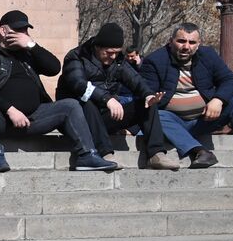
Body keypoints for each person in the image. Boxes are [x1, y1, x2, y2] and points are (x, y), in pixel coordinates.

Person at [0, 10, 115, 175]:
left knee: (71, 105)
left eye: (26, 31)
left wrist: (32, 45)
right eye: (19, 30)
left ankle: (87, 155)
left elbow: (54, 68)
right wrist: (10, 110)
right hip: (1, 121)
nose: (24, 35)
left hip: (34, 119)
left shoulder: (28, 54)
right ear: (3, 31)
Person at [140, 22, 233, 170]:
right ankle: (200, 152)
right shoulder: (154, 61)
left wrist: (218, 100)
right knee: (157, 115)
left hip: (205, 118)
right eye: (181, 41)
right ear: (171, 41)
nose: (186, 47)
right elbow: (146, 92)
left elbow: (230, 80)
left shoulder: (208, 55)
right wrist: (153, 99)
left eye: (192, 42)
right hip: (173, 122)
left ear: (198, 44)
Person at [58, 22, 163, 169]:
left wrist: (148, 94)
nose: (113, 56)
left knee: (147, 104)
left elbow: (136, 80)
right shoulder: (76, 56)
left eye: (117, 52)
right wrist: (107, 99)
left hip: (105, 116)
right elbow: (78, 84)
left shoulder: (118, 61)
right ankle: (105, 154)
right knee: (86, 102)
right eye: (109, 52)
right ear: (97, 46)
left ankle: (156, 154)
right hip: (79, 119)